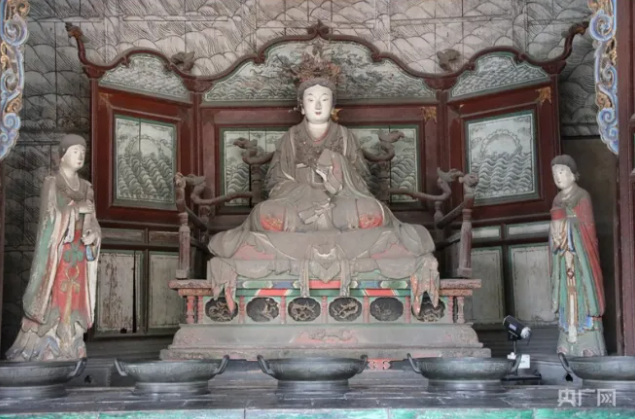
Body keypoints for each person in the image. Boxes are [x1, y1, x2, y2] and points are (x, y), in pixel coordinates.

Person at [207, 47, 439, 315]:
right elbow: (277, 182)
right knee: (264, 213)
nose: (317, 105)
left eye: (324, 99)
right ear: (301, 104)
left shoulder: (346, 136)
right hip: (298, 206)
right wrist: (307, 189)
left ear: (333, 104)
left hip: (341, 203)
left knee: (373, 212)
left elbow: (362, 182)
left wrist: (338, 176)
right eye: (311, 99)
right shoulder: (290, 138)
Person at [7, 134, 101, 361]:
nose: (80, 156)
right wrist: (76, 210)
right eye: (75, 151)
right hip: (57, 255)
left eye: (83, 152)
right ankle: (46, 345)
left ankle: (71, 343)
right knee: (55, 296)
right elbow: (49, 218)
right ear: (62, 155)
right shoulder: (52, 183)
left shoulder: (87, 187)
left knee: (74, 298)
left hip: (78, 254)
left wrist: (94, 234)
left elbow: (94, 220)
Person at [550, 155, 606, 356]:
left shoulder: (582, 196)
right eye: (555, 174)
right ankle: (567, 341)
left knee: (582, 293)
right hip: (563, 258)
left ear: (573, 174)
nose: (558, 177)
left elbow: (587, 227)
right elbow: (554, 228)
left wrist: (566, 225)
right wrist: (557, 231)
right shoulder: (557, 199)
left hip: (581, 257)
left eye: (562, 172)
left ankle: (589, 341)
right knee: (566, 294)